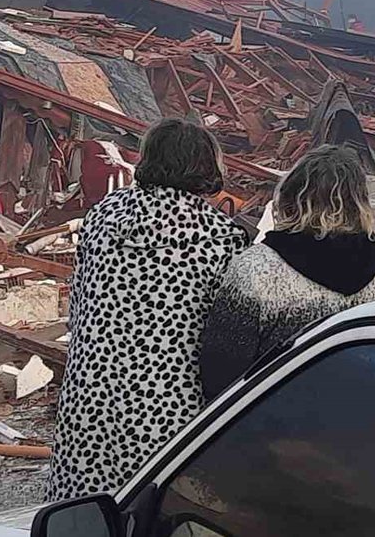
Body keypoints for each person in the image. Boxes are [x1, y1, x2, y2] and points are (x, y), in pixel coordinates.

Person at [45, 119, 249, 503]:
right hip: (167, 417)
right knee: (153, 514)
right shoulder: (218, 238)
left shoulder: (103, 217)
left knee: (89, 515)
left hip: (89, 406)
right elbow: (222, 343)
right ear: (206, 165)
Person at [199, 145, 375, 402]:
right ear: (359, 202)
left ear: (289, 195)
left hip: (274, 424)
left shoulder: (257, 267)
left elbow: (221, 372)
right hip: (365, 416)